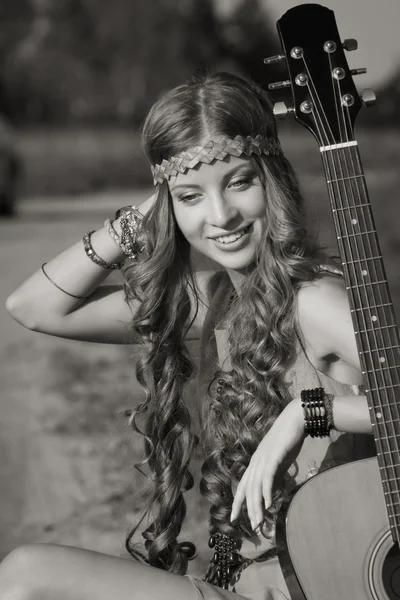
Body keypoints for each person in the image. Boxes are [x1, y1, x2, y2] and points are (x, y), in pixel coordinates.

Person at [3, 72, 376, 600]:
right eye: (192, 197)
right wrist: (148, 215)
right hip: (241, 587)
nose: (220, 215)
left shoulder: (315, 301)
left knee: (25, 576)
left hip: (314, 586)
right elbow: (35, 308)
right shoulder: (216, 301)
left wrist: (309, 412)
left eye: (240, 182)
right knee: (22, 577)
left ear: (273, 180)